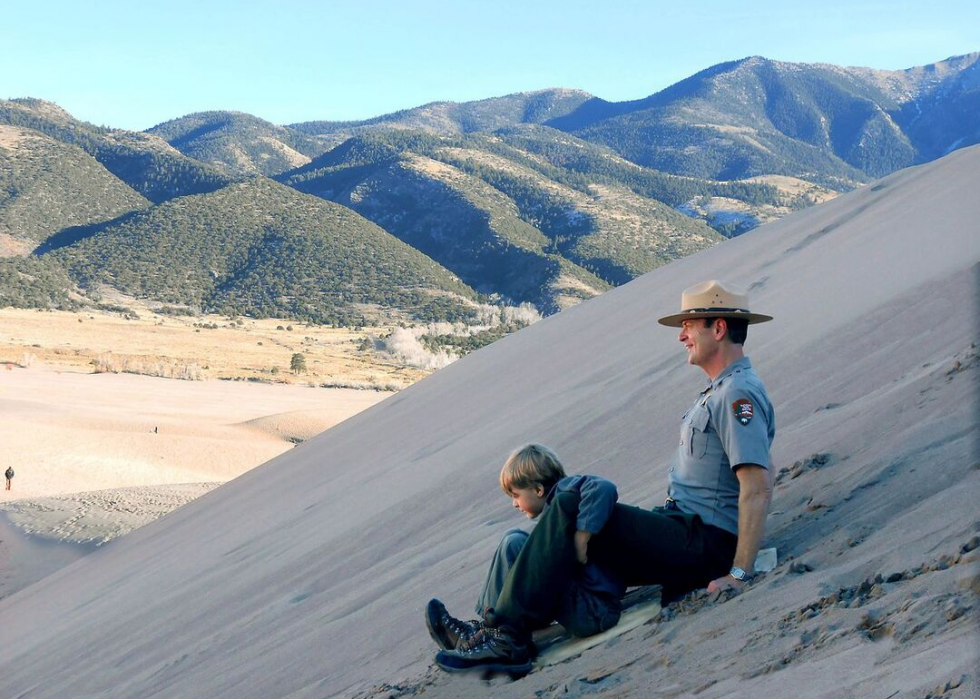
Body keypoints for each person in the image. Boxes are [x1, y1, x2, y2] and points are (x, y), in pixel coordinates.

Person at [434, 280, 775, 675]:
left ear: (717, 329)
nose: (682, 335)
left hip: (704, 541)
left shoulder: (737, 395)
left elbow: (756, 486)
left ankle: (505, 637)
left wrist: (738, 572)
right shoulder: (716, 392)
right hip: (679, 528)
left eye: (689, 325)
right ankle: (491, 629)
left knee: (571, 500)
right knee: (525, 540)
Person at [427, 444, 625, 674]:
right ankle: (487, 632)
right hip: (581, 601)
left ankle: (496, 637)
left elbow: (604, 487)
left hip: (593, 612)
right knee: (514, 538)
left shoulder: (567, 493)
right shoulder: (556, 506)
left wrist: (582, 539)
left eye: (516, 495)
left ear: (538, 489)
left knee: (514, 542)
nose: (514, 503)